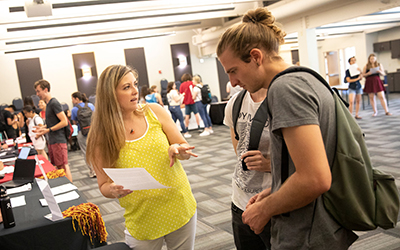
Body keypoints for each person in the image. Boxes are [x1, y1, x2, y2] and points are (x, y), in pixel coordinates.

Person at [217, 7, 357, 249]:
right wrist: (275, 189)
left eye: (233, 71)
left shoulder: (285, 89)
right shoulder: (308, 78)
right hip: (321, 220)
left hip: (306, 227)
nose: (233, 82)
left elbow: (315, 178)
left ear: (256, 57)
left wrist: (264, 210)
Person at [86, 65, 197, 250]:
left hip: (179, 205)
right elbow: (103, 185)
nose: (135, 91)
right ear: (110, 94)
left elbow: (182, 145)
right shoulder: (101, 136)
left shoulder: (154, 111)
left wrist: (179, 149)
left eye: (135, 84)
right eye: (126, 87)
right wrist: (112, 190)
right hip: (142, 218)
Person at [224, 87, 272, 250]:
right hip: (240, 202)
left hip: (274, 203)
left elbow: (308, 165)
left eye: (234, 70)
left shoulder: (282, 100)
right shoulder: (235, 103)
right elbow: (239, 152)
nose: (232, 81)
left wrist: (269, 165)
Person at [34, 80, 73, 182]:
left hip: (58, 140)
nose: (37, 94)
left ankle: (71, 190)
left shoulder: (54, 103)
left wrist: (47, 130)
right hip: (53, 140)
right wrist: (43, 128)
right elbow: (53, 123)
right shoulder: (49, 104)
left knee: (63, 167)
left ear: (45, 90)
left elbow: (64, 122)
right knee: (58, 167)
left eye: (38, 91)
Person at [71, 91, 96, 178]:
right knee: (96, 150)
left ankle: (92, 170)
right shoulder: (91, 105)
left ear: (77, 99)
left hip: (82, 132)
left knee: (86, 152)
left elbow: (74, 122)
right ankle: (100, 169)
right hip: (93, 131)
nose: (72, 101)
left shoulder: (74, 109)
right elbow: (95, 117)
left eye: (73, 99)